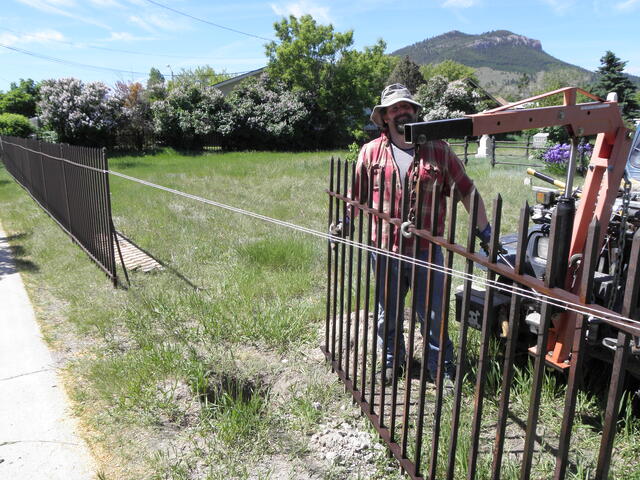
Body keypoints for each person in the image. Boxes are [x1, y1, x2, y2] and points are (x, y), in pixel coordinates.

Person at [351, 83, 491, 386]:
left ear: (415, 112)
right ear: (385, 117)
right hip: (385, 249)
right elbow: (357, 197)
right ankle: (392, 360)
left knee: (433, 314)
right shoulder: (370, 152)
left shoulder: (438, 149)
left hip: (427, 251)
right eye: (394, 108)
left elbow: (466, 191)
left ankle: (440, 364)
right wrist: (346, 220)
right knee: (387, 313)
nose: (401, 112)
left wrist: (486, 231)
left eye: (406, 107)